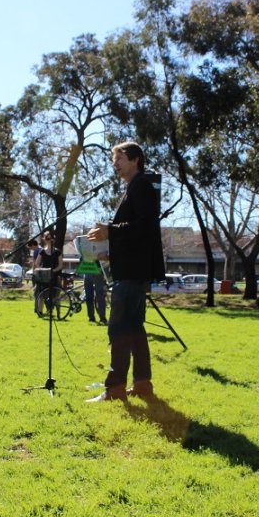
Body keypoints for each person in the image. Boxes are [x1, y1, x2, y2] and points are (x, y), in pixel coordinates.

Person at [86, 141, 165, 401]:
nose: (115, 163)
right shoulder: (137, 186)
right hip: (132, 268)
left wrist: (111, 230)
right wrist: (111, 251)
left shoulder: (140, 185)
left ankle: (115, 388)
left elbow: (145, 226)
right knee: (134, 329)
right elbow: (137, 233)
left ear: (135, 160)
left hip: (131, 273)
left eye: (120, 158)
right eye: (113, 159)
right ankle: (142, 384)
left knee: (118, 329)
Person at [33, 232, 62, 315]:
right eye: (47, 238)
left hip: (54, 276)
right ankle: (40, 312)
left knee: (55, 295)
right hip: (44, 276)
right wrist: (42, 270)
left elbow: (60, 265)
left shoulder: (57, 252)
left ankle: (54, 311)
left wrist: (54, 270)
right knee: (41, 294)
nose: (50, 240)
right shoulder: (42, 251)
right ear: (45, 240)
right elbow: (37, 263)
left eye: (51, 238)